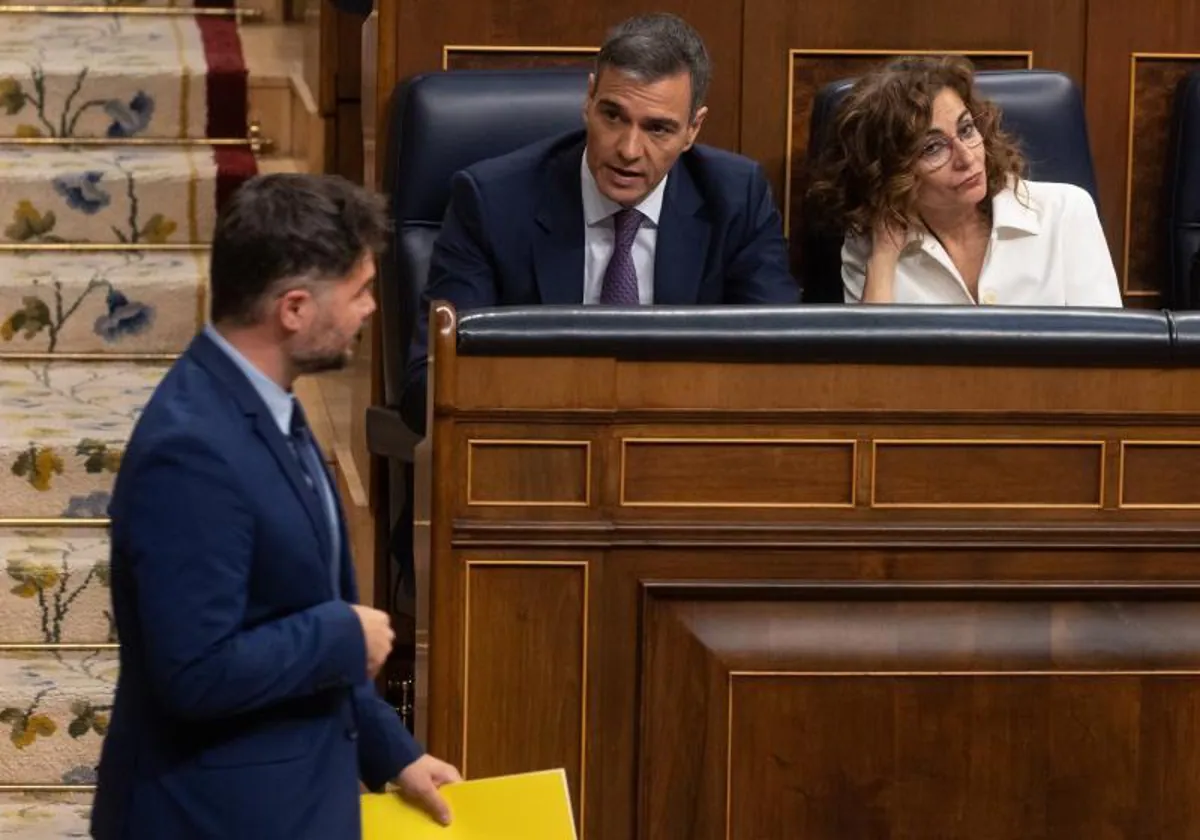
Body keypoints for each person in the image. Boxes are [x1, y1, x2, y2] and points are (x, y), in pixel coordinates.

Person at [91, 173, 461, 840]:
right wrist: (342, 636)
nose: (372, 309)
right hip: (209, 818)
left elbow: (291, 605)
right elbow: (195, 671)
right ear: (293, 309)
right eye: (359, 292)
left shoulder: (266, 406)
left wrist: (394, 754)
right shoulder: (192, 450)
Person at [400, 12, 798, 432]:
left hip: (681, 451)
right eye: (613, 116)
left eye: (658, 129)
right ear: (588, 100)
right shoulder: (492, 202)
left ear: (692, 130)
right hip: (537, 449)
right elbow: (428, 381)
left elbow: (780, 362)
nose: (628, 149)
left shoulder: (736, 198)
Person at [805, 54, 1123, 308]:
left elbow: (1111, 356)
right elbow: (867, 374)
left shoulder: (1066, 212)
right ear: (891, 172)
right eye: (932, 148)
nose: (967, 158)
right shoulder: (871, 245)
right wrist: (884, 259)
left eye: (967, 129)